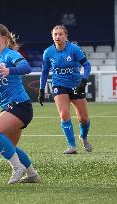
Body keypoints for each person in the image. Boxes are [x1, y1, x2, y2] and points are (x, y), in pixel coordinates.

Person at [0, 24, 40, 184]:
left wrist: (10, 70)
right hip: (9, 108)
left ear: (4, 39)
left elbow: (26, 67)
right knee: (10, 147)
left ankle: (17, 168)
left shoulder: (10, 54)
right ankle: (32, 174)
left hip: (20, 105)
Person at [38, 25, 92, 154]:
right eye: (55, 34)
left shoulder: (74, 49)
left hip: (75, 85)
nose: (58, 36)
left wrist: (83, 81)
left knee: (83, 118)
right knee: (63, 114)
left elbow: (87, 65)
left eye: (60, 34)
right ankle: (71, 146)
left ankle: (83, 137)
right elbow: (45, 72)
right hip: (59, 85)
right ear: (52, 36)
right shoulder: (48, 52)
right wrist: (41, 89)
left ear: (66, 36)